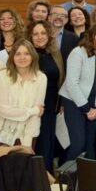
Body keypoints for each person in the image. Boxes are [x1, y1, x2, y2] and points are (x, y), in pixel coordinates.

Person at [60, 23, 96, 161]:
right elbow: (71, 83)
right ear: (91, 35)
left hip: (94, 106)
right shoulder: (78, 52)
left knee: (90, 146)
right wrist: (87, 108)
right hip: (74, 102)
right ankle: (67, 175)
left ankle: (88, 175)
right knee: (78, 144)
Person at [0, 40, 46, 148]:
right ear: (12, 57)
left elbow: (35, 116)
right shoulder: (2, 76)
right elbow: (2, 109)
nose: (22, 57)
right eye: (18, 54)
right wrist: (32, 111)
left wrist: (27, 143)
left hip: (25, 135)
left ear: (33, 56)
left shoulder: (41, 78)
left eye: (26, 54)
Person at [28, 20, 65, 168]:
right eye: (35, 34)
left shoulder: (54, 53)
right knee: (39, 146)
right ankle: (39, 178)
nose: (39, 37)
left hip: (52, 108)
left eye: (43, 33)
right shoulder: (27, 55)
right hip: (34, 109)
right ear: (30, 36)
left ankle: (47, 176)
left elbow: (61, 78)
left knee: (48, 146)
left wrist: (61, 103)